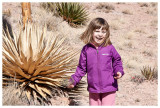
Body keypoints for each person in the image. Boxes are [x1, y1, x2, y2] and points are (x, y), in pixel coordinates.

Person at [67, 17, 124, 106]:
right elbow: (82, 68)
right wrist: (74, 80)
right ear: (91, 31)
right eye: (97, 31)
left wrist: (119, 71)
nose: (100, 34)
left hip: (109, 87)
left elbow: (117, 60)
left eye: (103, 32)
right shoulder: (86, 49)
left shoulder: (109, 47)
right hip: (93, 88)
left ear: (107, 33)